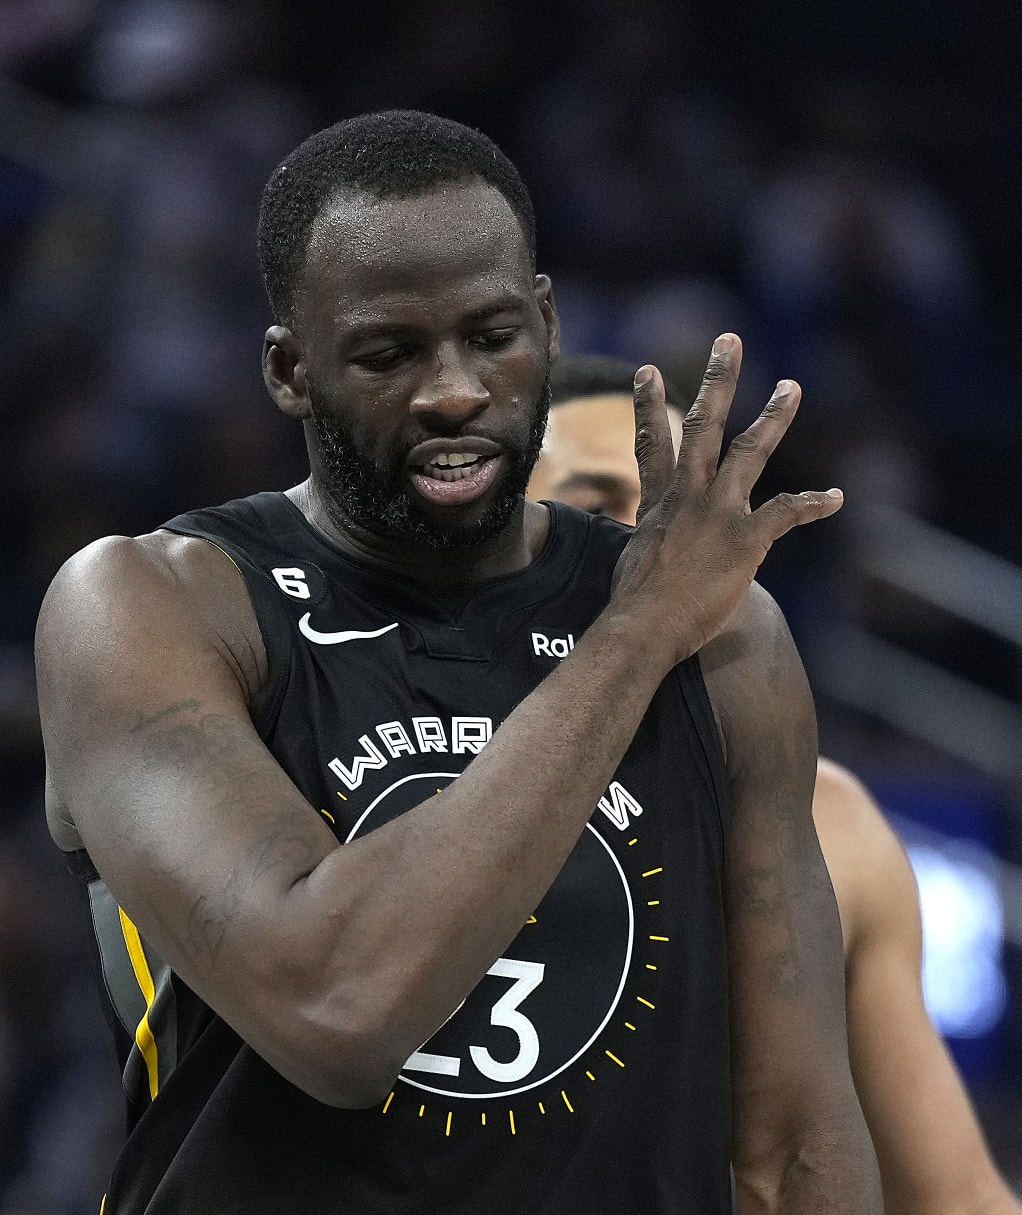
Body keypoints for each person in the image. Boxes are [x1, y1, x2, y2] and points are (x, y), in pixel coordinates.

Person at [34, 111, 880, 1214]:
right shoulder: (151, 608)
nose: (453, 391)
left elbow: (797, 1141)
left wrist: (654, 620)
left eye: (492, 336)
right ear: (290, 370)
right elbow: (336, 1008)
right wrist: (634, 636)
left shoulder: (725, 639)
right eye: (390, 354)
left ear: (548, 322)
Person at [529, 355, 1022, 1215]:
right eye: (598, 511)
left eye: (681, 511)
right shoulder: (403, 793)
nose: (658, 549)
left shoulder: (833, 822)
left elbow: (955, 1197)